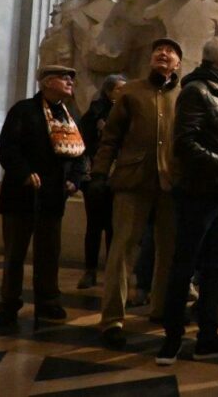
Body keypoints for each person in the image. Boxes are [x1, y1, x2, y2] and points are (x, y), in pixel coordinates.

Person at [158, 36, 218, 365]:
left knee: (215, 266)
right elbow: (186, 142)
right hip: (198, 192)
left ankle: (208, 335)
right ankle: (171, 339)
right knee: (185, 263)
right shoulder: (197, 91)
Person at [91, 39, 182, 349]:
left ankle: (160, 306)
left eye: (170, 51)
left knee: (168, 249)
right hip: (133, 179)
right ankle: (113, 319)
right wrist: (100, 172)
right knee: (122, 249)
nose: (163, 53)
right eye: (158, 50)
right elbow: (111, 137)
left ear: (178, 64)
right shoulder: (131, 91)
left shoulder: (183, 96)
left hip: (170, 182)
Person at [0, 65, 86, 330]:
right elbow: (7, 147)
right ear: (46, 82)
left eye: (72, 77)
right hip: (21, 196)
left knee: (49, 253)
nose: (70, 81)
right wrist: (24, 172)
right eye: (63, 77)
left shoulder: (70, 115)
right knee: (15, 254)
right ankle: (8, 306)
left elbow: (80, 153)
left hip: (53, 197)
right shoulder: (24, 110)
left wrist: (75, 179)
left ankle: (48, 300)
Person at [77, 74, 127, 290]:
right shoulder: (94, 115)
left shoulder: (126, 113)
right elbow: (84, 144)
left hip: (119, 177)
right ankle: (90, 271)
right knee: (95, 225)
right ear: (108, 92)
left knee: (114, 226)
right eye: (119, 89)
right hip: (97, 176)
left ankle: (112, 270)